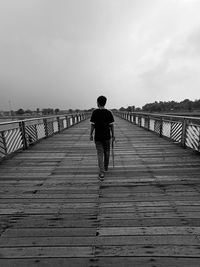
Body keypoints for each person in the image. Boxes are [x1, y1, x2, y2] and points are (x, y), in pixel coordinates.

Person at [90, 96, 115, 180]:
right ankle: (105, 167)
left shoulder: (94, 112)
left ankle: (101, 172)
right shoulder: (109, 112)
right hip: (107, 136)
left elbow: (92, 125)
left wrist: (90, 134)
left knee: (100, 154)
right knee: (107, 152)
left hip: (98, 137)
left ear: (98, 103)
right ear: (105, 103)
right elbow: (111, 126)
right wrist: (113, 135)